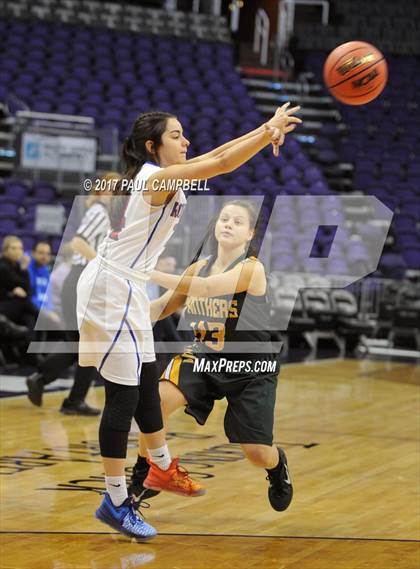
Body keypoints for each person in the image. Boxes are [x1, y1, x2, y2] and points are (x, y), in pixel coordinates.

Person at [76, 105, 301, 540]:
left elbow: (215, 154)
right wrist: (268, 131)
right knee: (124, 400)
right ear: (152, 146)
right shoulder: (155, 178)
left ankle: (160, 468)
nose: (186, 142)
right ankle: (116, 501)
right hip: (113, 288)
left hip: (130, 290)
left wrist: (261, 129)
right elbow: (219, 163)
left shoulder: (170, 177)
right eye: (177, 136)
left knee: (145, 383)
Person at [130, 199, 293, 513]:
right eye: (224, 219)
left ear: (250, 234)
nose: (228, 224)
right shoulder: (198, 266)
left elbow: (204, 289)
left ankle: (276, 467)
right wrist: (124, 316)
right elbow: (161, 308)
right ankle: (144, 470)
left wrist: (149, 272)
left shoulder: (251, 268)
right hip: (204, 357)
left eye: (237, 221)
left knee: (257, 453)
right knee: (154, 402)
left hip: (250, 368)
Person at [26, 174, 118, 415]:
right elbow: (78, 243)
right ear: (100, 191)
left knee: (83, 344)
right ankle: (60, 391)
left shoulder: (103, 214)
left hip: (81, 279)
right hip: (81, 278)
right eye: (111, 189)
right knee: (89, 345)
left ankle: (47, 381)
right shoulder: (98, 212)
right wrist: (102, 265)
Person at [0, 236, 38, 330]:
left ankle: (31, 343)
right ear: (5, 250)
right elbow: (22, 285)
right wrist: (24, 269)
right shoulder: (3, 266)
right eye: (13, 248)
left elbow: (28, 290)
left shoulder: (17, 266)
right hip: (4, 305)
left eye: (20, 248)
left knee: (30, 319)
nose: (18, 251)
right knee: (24, 301)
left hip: (16, 305)